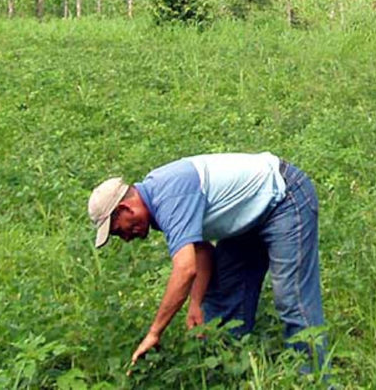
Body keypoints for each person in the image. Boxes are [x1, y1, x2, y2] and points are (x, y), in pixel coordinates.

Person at [87, 152, 326, 370]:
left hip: (285, 198)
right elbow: (201, 251)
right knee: (221, 299)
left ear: (125, 208)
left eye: (120, 231)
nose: (126, 238)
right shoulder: (156, 201)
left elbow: (185, 269)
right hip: (245, 217)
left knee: (291, 298)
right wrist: (195, 304)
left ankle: (312, 380)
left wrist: (154, 332)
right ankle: (234, 373)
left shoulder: (168, 197)